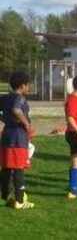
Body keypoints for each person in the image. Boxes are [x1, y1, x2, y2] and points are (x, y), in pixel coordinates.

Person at [0, 72, 35, 209]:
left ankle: (5, 196)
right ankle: (20, 200)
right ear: (22, 86)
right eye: (28, 85)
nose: (29, 87)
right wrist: (25, 123)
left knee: (7, 166)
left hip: (7, 134)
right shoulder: (19, 98)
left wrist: (5, 120)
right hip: (17, 136)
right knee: (19, 166)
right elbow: (16, 110)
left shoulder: (5, 98)